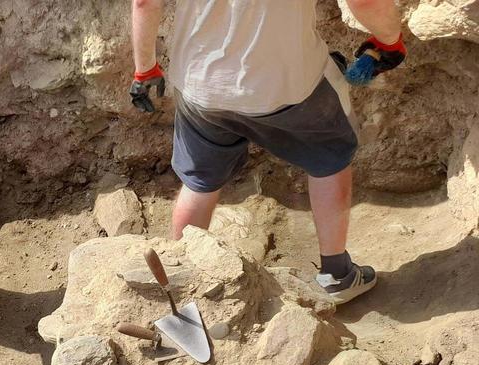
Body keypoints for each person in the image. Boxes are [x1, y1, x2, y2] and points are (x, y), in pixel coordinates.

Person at [130, 0, 406, 305]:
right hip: (290, 88)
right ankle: (337, 276)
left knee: (199, 180)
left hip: (202, 87)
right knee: (331, 156)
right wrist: (389, 41)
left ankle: (182, 283)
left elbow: (144, 3)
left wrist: (144, 70)